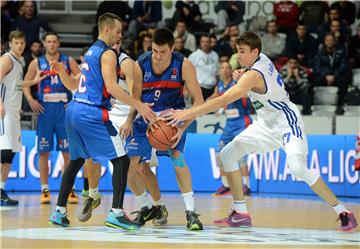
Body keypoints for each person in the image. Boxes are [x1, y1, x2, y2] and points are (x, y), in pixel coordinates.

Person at [166, 31, 358, 232]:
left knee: (298, 167)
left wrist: (187, 113)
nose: (238, 56)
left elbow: (222, 100)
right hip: (265, 124)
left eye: (242, 52)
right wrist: (242, 73)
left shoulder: (253, 74)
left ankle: (343, 212)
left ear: (255, 51)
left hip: (287, 122)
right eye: (237, 51)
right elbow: (251, 76)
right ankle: (240, 213)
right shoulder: (261, 60)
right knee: (227, 154)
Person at [47, 12, 155, 229]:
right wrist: (139, 105)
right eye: (117, 31)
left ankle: (59, 212)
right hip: (91, 113)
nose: (120, 35)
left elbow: (74, 86)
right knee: (122, 161)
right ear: (106, 30)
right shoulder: (107, 54)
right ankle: (116, 213)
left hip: (74, 109)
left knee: (76, 160)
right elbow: (113, 87)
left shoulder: (90, 52)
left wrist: (61, 73)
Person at [125, 28, 204, 230]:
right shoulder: (140, 64)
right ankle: (154, 207)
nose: (158, 56)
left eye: (162, 52)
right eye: (154, 51)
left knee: (177, 160)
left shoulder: (184, 64)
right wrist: (128, 120)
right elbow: (135, 99)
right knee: (134, 168)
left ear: (172, 48)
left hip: (172, 118)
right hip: (146, 117)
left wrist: (182, 126)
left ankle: (191, 213)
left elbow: (199, 102)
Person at [24, 31, 81, 204]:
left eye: (54, 41)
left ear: (58, 43)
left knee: (68, 153)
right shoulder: (37, 63)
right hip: (45, 112)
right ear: (44, 44)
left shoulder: (68, 61)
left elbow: (80, 80)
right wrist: (31, 99)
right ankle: (45, 190)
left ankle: (70, 189)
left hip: (64, 112)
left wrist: (74, 100)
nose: (51, 44)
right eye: (48, 41)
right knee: (43, 153)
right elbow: (25, 83)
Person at [0, 30, 45, 206]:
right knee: (3, 152)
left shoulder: (19, 61)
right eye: (16, 43)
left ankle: (1, 190)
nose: (19, 46)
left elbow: (17, 84)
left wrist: (34, 81)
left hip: (13, 112)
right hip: (4, 112)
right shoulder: (6, 59)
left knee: (9, 153)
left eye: (21, 43)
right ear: (10, 43)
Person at [208, 62, 252, 196]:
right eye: (222, 67)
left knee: (241, 156)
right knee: (219, 153)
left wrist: (222, 105)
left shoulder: (237, 83)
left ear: (231, 70)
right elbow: (214, 97)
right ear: (220, 71)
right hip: (229, 124)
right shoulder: (220, 85)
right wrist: (198, 106)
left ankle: (246, 186)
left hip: (242, 123)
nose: (225, 69)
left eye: (228, 67)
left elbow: (245, 95)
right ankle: (226, 185)